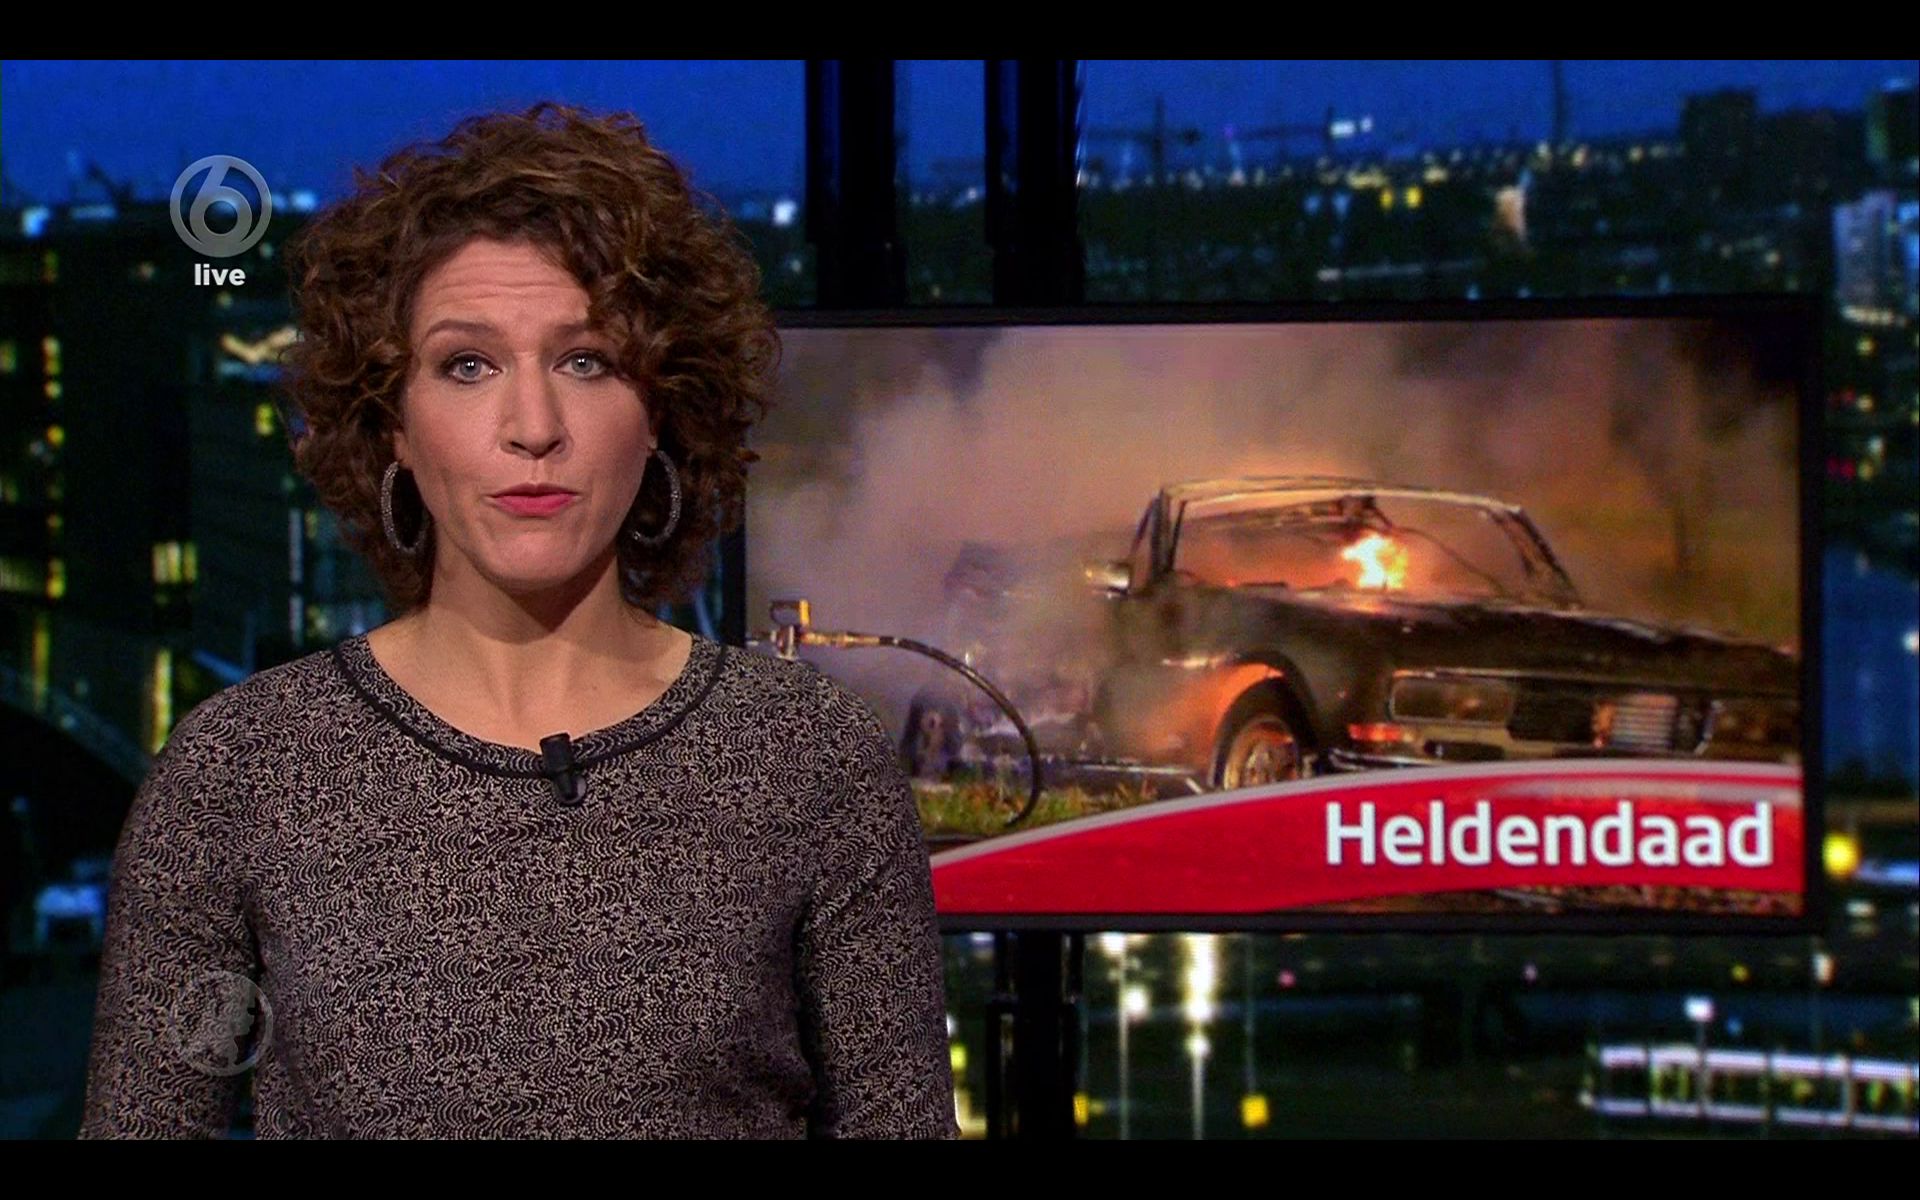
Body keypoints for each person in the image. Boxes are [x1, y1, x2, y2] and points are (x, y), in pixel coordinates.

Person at [78, 102, 960, 1139]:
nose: (533, 428)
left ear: (661, 410)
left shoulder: (810, 757)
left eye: (587, 361)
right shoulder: (239, 771)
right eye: (468, 365)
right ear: (393, 422)